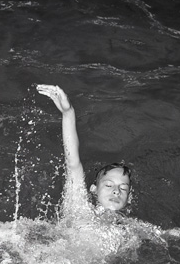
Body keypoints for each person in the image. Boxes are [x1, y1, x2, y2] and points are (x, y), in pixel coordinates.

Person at [36, 84, 131, 214]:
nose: (116, 191)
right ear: (94, 190)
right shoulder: (80, 210)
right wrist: (68, 113)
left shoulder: (136, 225)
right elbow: (73, 164)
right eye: (108, 185)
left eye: (124, 188)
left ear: (129, 198)